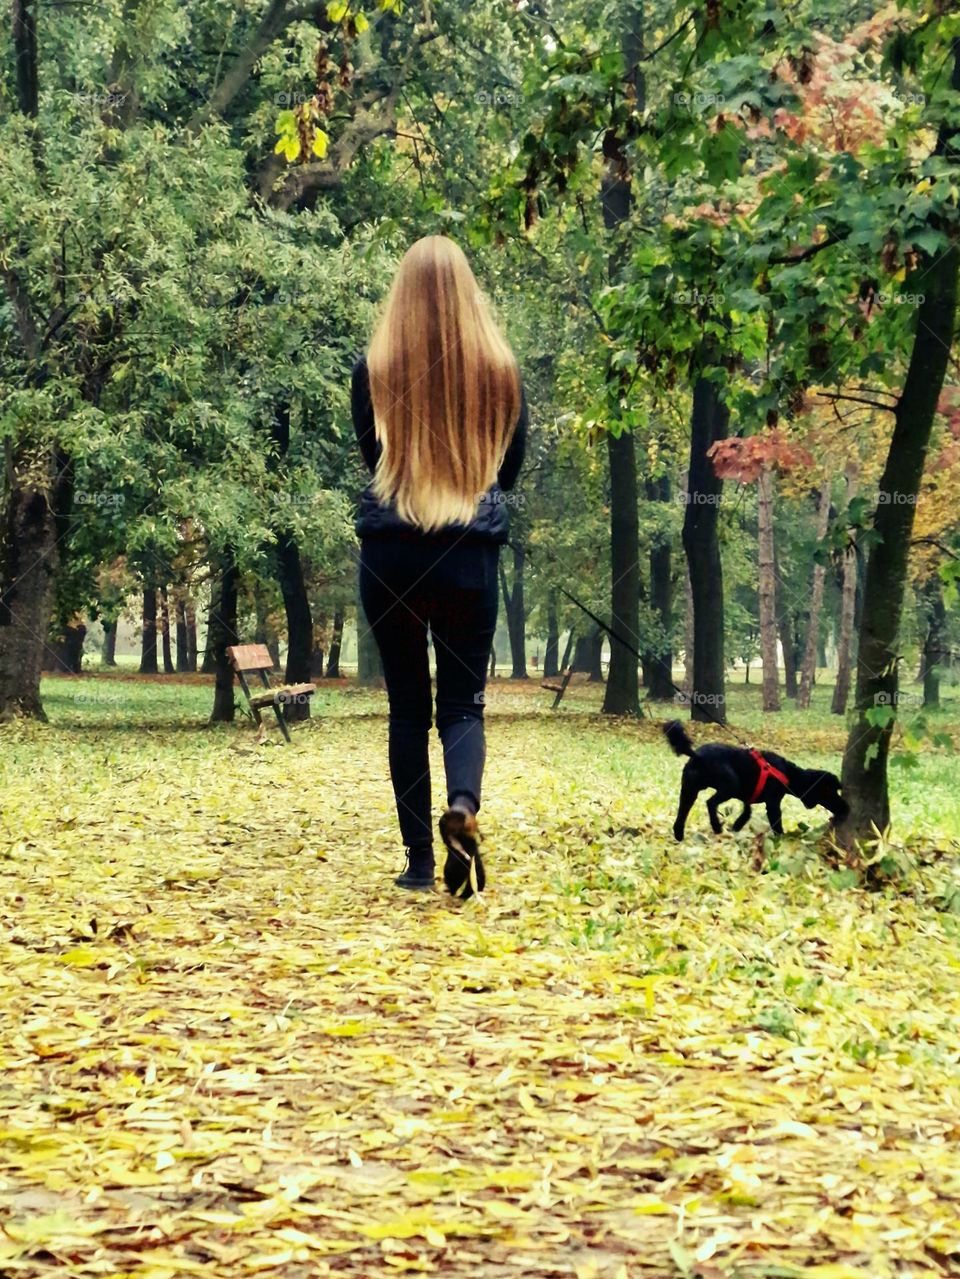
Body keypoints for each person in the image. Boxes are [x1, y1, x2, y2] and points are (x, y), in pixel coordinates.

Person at [351, 235, 527, 897]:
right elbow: (505, 472)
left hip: (392, 554)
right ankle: (463, 805)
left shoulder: (373, 369)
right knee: (462, 706)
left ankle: (420, 864)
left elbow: (375, 461)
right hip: (468, 555)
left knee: (406, 710)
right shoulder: (501, 371)